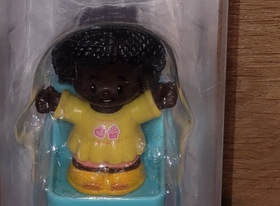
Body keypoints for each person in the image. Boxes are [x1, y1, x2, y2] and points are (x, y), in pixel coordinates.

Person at [35, 25, 177, 195]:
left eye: (120, 87)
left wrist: (160, 97)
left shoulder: (131, 112)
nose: (106, 91)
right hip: (88, 153)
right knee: (86, 169)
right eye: (93, 87)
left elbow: (147, 106)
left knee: (125, 170)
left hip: (124, 153)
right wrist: (51, 100)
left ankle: (123, 178)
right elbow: (67, 106)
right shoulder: (82, 111)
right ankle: (88, 178)